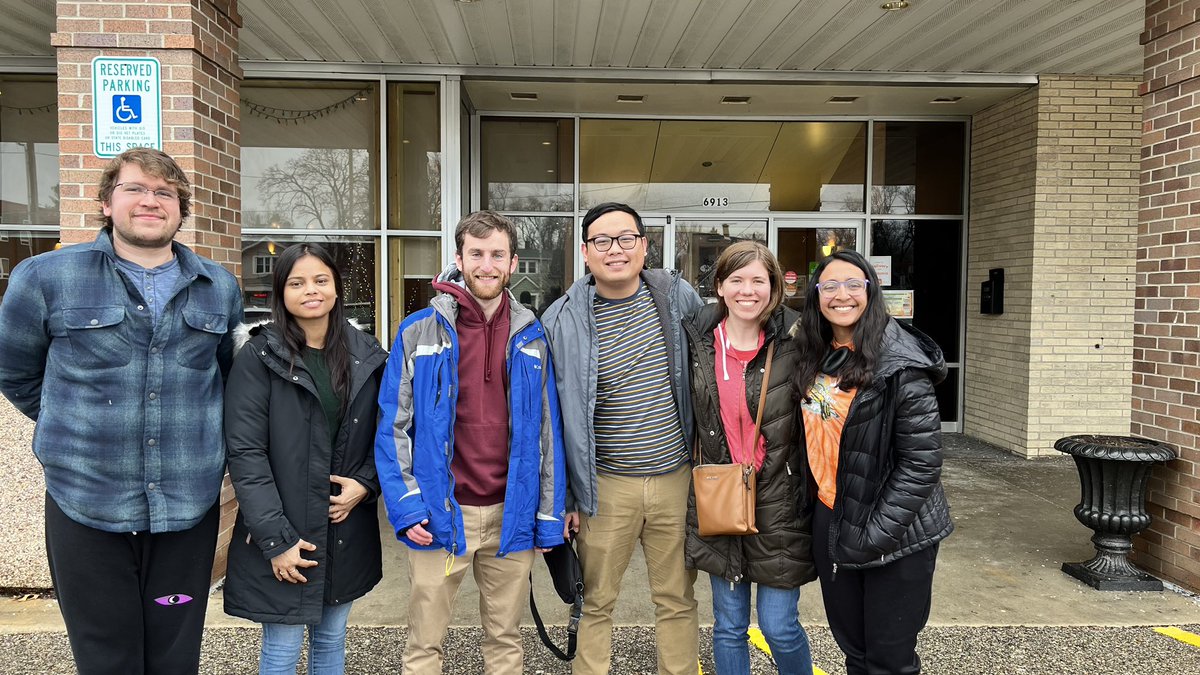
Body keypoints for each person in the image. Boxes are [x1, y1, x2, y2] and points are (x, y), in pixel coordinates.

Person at [0, 148, 242, 674]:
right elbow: (16, 371)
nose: (150, 201)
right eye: (135, 189)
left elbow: (225, 378)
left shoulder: (218, 287)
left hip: (185, 506)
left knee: (174, 653)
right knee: (107, 655)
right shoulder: (45, 278)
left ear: (181, 209)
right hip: (85, 501)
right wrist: (75, 423)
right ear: (107, 202)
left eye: (164, 192)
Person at [375, 210, 567, 674]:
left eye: (497, 254)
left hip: (511, 514)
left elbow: (548, 433)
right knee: (424, 642)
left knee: (505, 640)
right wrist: (407, 506)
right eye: (476, 254)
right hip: (440, 514)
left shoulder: (533, 334)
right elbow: (392, 426)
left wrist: (547, 514)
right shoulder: (418, 330)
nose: (487, 264)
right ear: (458, 259)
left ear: (513, 262)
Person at [541, 202, 704, 675]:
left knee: (677, 597)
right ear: (586, 253)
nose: (616, 250)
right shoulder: (561, 319)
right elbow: (551, 418)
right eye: (602, 241)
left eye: (626, 238)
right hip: (604, 487)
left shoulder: (678, 299)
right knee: (594, 601)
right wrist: (566, 494)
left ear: (644, 246)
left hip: (676, 478)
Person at [223, 243, 387, 674]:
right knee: (282, 644)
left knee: (332, 639)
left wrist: (367, 483)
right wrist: (275, 541)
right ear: (281, 293)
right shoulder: (259, 358)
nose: (310, 290)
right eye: (297, 282)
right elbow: (245, 453)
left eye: (320, 280)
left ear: (336, 289)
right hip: (283, 525)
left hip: (343, 527)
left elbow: (385, 435)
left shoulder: (367, 355)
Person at [791, 250, 953, 675]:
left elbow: (921, 464)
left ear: (870, 291)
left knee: (889, 660)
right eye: (829, 286)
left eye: (852, 285)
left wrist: (874, 536)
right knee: (855, 651)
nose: (841, 295)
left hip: (894, 531)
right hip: (834, 517)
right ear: (816, 295)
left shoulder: (901, 364)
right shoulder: (816, 355)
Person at [683, 241, 816, 674]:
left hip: (781, 498)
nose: (748, 290)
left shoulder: (799, 342)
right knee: (728, 626)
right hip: (720, 496)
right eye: (736, 279)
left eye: (759, 280)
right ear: (719, 286)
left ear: (774, 288)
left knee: (779, 626)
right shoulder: (696, 343)